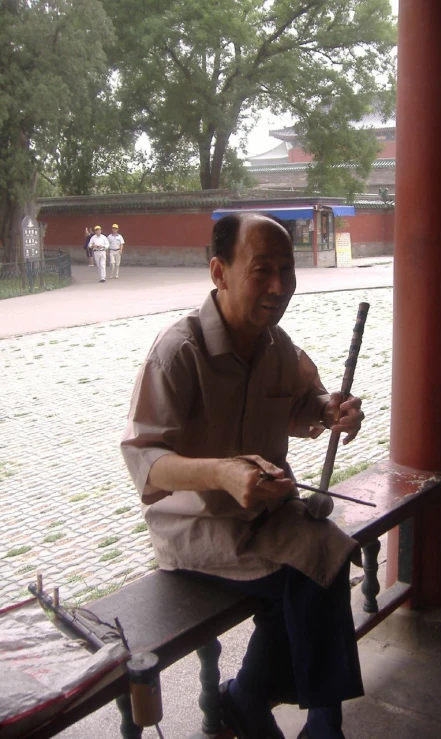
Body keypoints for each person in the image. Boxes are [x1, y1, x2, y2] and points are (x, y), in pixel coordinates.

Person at [121, 213, 366, 739]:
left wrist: (331, 410)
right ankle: (311, 720)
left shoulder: (277, 345)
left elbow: (305, 405)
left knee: (324, 556)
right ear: (220, 272)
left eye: (287, 269)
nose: (279, 286)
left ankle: (254, 698)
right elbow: (145, 460)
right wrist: (222, 475)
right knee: (314, 568)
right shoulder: (178, 352)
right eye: (262, 271)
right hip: (199, 527)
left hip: (266, 517)